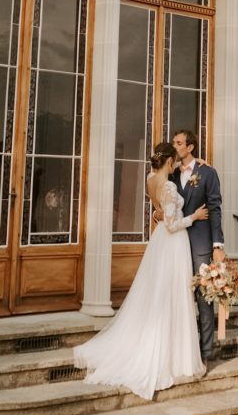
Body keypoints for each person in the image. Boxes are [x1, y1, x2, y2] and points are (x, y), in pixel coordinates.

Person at [73, 143, 208, 400]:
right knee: (170, 296)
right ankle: (173, 358)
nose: (178, 163)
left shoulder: (150, 179)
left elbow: (159, 214)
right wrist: (194, 217)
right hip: (172, 243)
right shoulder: (168, 186)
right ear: (169, 161)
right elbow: (171, 225)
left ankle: (174, 353)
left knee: (161, 294)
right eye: (175, 160)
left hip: (159, 243)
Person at [171, 129, 225, 366]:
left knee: (204, 299)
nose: (175, 146)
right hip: (175, 243)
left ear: (190, 147)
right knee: (177, 297)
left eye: (179, 143)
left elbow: (214, 208)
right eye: (174, 142)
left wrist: (217, 244)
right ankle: (180, 352)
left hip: (201, 244)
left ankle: (205, 354)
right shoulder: (171, 174)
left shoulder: (208, 173)